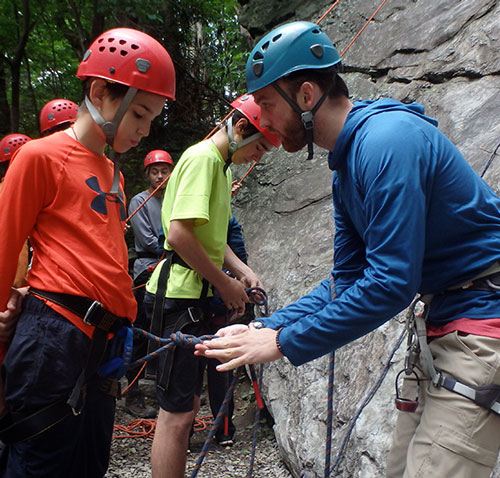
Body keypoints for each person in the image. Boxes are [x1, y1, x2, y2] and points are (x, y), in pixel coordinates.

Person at [195, 21, 500, 478]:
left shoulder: (386, 143)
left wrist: (280, 342)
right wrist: (267, 325)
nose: (264, 120)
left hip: (483, 320)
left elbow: (390, 283)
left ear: (304, 95)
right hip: (448, 322)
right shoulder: (347, 164)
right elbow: (348, 277)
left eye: (266, 103)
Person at [0, 27, 175, 477]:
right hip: (54, 335)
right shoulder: (39, 158)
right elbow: (3, 249)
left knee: (89, 465)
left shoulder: (113, 174)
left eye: (152, 118)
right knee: (39, 464)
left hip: (103, 343)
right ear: (100, 91)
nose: (144, 130)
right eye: (139, 114)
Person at [144, 92, 279, 478]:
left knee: (185, 409)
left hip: (192, 296)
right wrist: (224, 284)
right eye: (260, 147)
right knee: (177, 413)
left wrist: (242, 272)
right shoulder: (203, 159)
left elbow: (210, 239)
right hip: (177, 300)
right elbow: (180, 234)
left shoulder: (219, 165)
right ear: (240, 128)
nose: (258, 157)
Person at [126, 149, 174, 418]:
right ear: (147, 174)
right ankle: (133, 394)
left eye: (164, 171)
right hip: (148, 269)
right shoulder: (139, 201)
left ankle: (164, 388)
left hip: (169, 267)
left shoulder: (173, 198)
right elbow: (147, 241)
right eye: (154, 171)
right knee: (141, 331)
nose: (159, 176)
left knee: (167, 328)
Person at [206, 213, 254, 447]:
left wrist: (239, 288)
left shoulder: (226, 219)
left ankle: (224, 429)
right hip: (194, 301)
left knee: (220, 368)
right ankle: (220, 430)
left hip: (213, 304)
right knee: (211, 369)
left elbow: (238, 252)